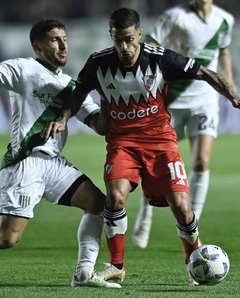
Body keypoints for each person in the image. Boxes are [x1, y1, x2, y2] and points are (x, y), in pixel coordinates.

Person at [42, 8, 240, 286]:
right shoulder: (98, 63)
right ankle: (116, 265)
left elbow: (205, 72)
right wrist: (63, 118)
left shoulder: (160, 59)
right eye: (117, 40)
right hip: (122, 143)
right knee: (115, 195)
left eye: (129, 39)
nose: (124, 47)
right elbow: (77, 95)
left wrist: (233, 96)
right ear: (111, 36)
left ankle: (194, 259)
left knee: (182, 207)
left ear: (139, 34)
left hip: (161, 143)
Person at [0, 19, 121, 289]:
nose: (63, 45)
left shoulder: (70, 85)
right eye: (55, 40)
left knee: (99, 205)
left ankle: (83, 274)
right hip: (26, 163)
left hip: (54, 166)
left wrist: (106, 94)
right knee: (7, 239)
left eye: (65, 38)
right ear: (38, 46)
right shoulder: (22, 69)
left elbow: (100, 126)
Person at [132, 0, 236, 249]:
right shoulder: (174, 16)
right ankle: (145, 214)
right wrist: (175, 58)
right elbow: (151, 46)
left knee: (202, 161)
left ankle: (192, 227)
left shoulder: (224, 19)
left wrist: (228, 84)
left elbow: (222, 51)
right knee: (157, 164)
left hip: (205, 100)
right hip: (172, 99)